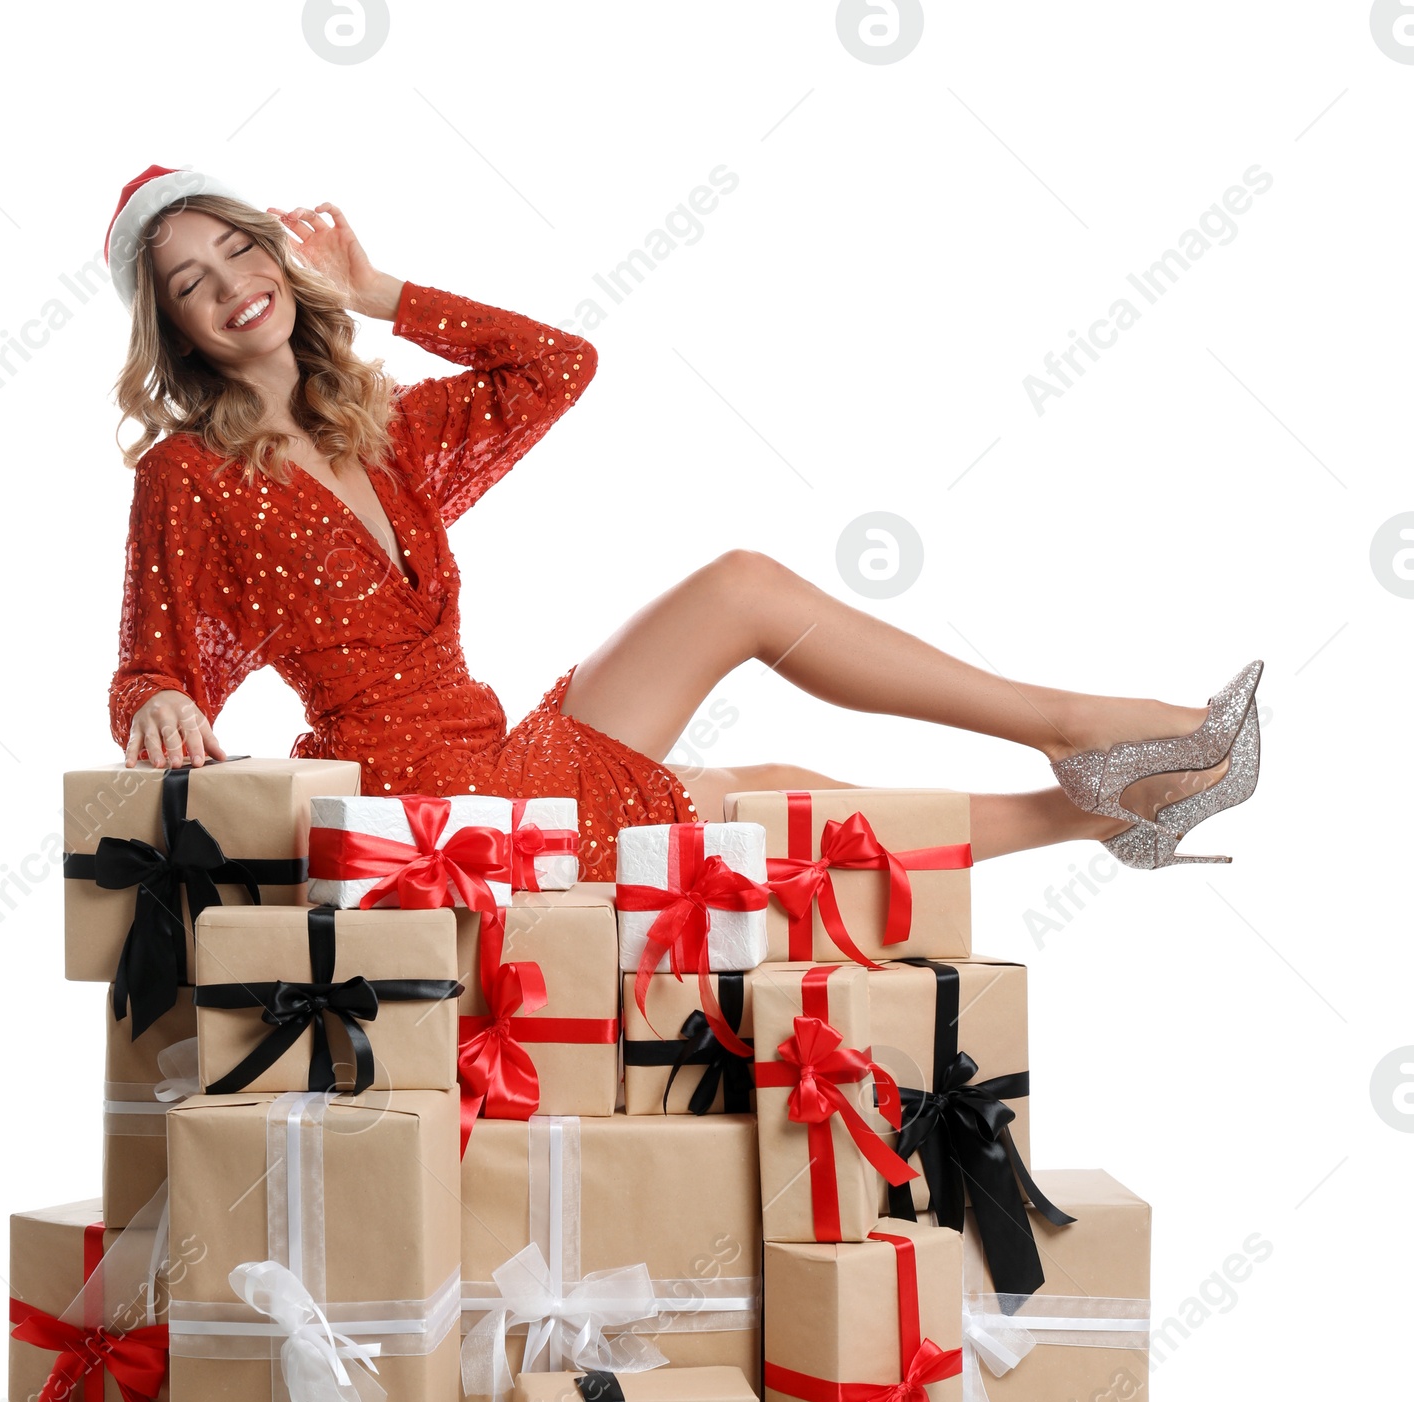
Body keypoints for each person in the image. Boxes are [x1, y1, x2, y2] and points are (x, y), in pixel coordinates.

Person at [104, 165, 1261, 881]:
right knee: (764, 747)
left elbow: (555, 365)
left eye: (239, 246)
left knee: (763, 715)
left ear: (277, 255)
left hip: (497, 753)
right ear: (174, 328)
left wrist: (381, 291)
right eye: (189, 281)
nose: (228, 283)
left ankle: (1099, 802)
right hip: (429, 808)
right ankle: (1098, 751)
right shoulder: (190, 477)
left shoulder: (376, 426)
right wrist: (156, 696)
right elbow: (153, 669)